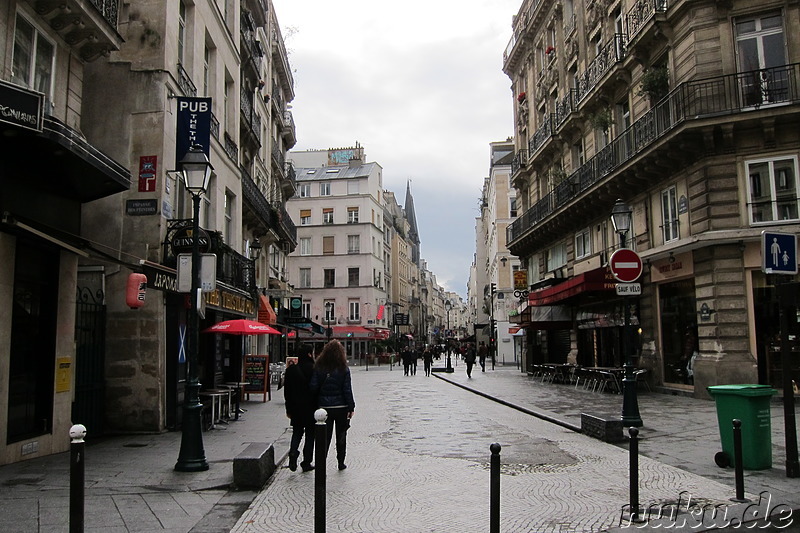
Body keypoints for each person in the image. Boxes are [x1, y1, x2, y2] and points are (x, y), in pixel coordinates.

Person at [310, 340, 355, 470]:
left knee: (324, 437)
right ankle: (341, 462)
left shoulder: (319, 367)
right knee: (341, 435)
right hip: (341, 407)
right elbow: (347, 389)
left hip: (324, 408)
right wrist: (351, 407)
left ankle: (321, 461)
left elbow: (313, 387)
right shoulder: (344, 368)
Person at [283, 344, 317, 472]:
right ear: (309, 354)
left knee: (297, 432)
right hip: (311, 407)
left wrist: (288, 408)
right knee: (310, 435)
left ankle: (293, 452)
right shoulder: (314, 369)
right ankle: (306, 462)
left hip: (295, 408)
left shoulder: (291, 370)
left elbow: (287, 391)